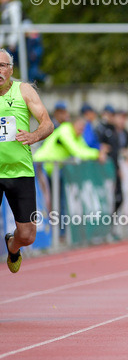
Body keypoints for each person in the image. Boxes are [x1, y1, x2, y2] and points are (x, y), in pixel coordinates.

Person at [0, 48, 54, 273]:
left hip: (20, 172)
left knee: (27, 235)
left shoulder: (24, 91)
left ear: (10, 70)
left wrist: (33, 136)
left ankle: (13, 246)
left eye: (2, 66)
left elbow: (47, 123)